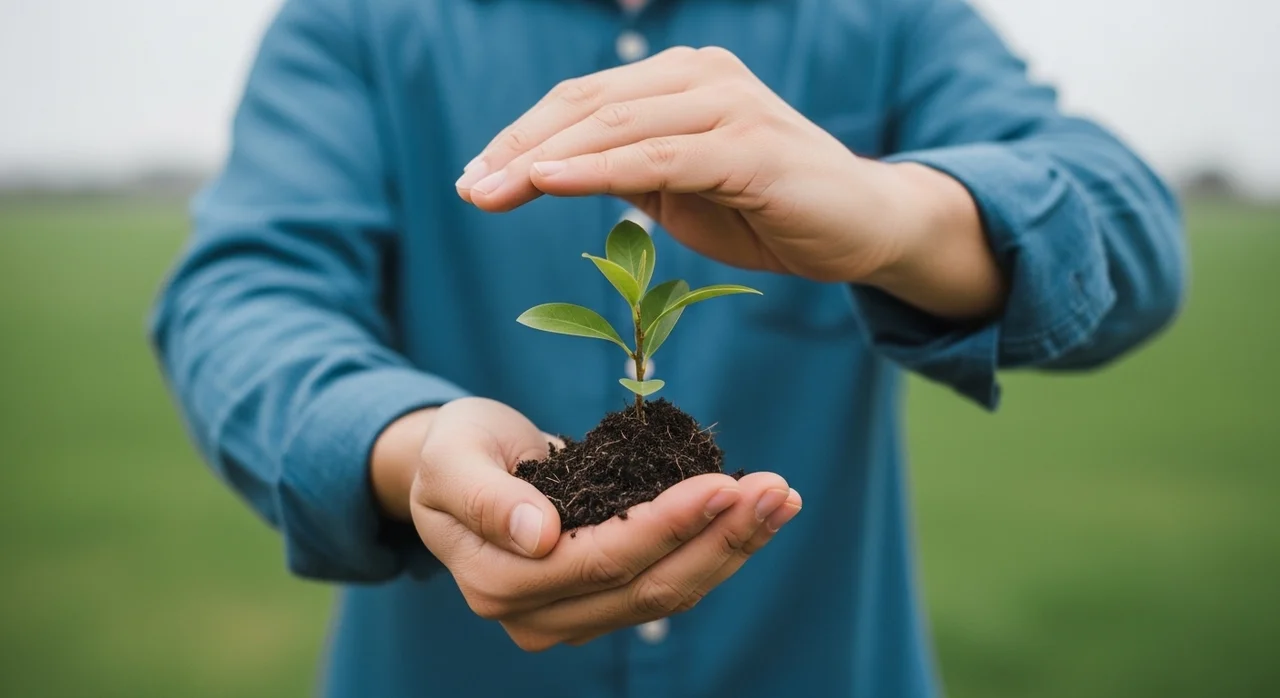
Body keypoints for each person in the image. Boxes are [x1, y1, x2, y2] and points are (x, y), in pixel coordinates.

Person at [148, 0, 1185, 695]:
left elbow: (1127, 234)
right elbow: (241, 299)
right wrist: (408, 443)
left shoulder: (881, 17)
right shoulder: (360, 20)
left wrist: (887, 214)